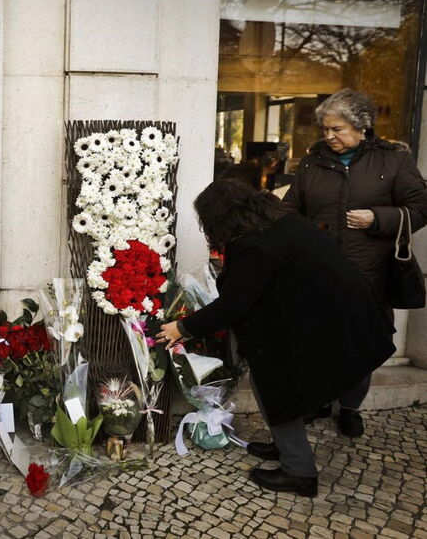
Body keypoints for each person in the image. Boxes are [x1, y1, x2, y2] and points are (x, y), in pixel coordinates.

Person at [156, 180, 395, 497]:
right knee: (322, 376)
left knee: (273, 385)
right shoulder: (282, 221)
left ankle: (299, 472)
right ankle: (287, 446)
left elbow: (234, 305)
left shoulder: (251, 246)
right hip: (349, 312)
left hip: (327, 320)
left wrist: (181, 328)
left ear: (218, 218)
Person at [282, 89, 427, 436]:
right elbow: (290, 210)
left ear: (362, 127)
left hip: (369, 273)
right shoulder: (312, 161)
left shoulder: (393, 160)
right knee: (316, 339)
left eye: (338, 129)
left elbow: (420, 209)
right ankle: (316, 400)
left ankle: (349, 408)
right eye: (326, 129)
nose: (329, 136)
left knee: (360, 342)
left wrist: (377, 218)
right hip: (318, 271)